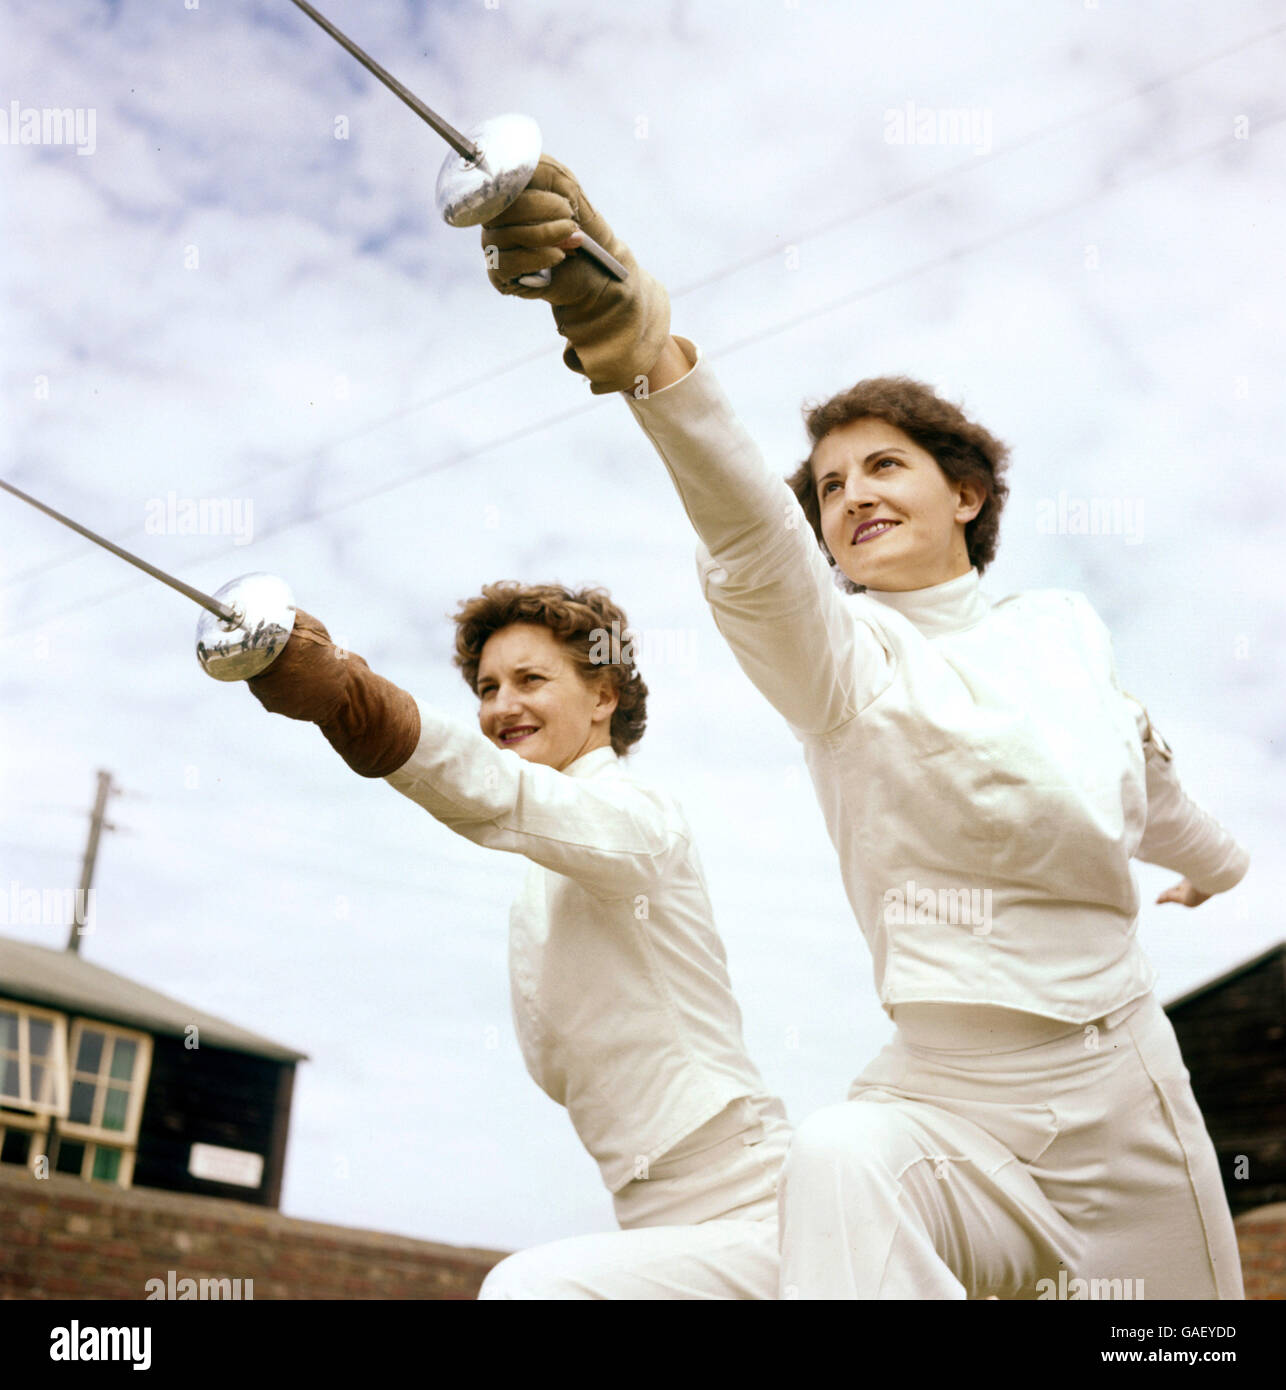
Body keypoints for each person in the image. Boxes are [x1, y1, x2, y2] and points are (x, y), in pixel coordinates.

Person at [476, 160, 1251, 1299]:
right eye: (829, 487)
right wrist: (648, 361)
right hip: (946, 1117)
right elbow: (754, 548)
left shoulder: (1062, 632)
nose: (849, 495)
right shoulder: (843, 663)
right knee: (645, 1241)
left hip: (1122, 1104)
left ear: (966, 494)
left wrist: (1215, 868)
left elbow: (1144, 782)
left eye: (882, 464)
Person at [244, 581, 789, 1298]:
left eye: (531, 679)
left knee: (528, 1291)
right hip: (652, 1218)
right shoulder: (543, 871)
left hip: (756, 1212)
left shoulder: (638, 817)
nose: (502, 707)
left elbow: (506, 795)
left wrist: (354, 701)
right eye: (488, 686)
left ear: (603, 697)